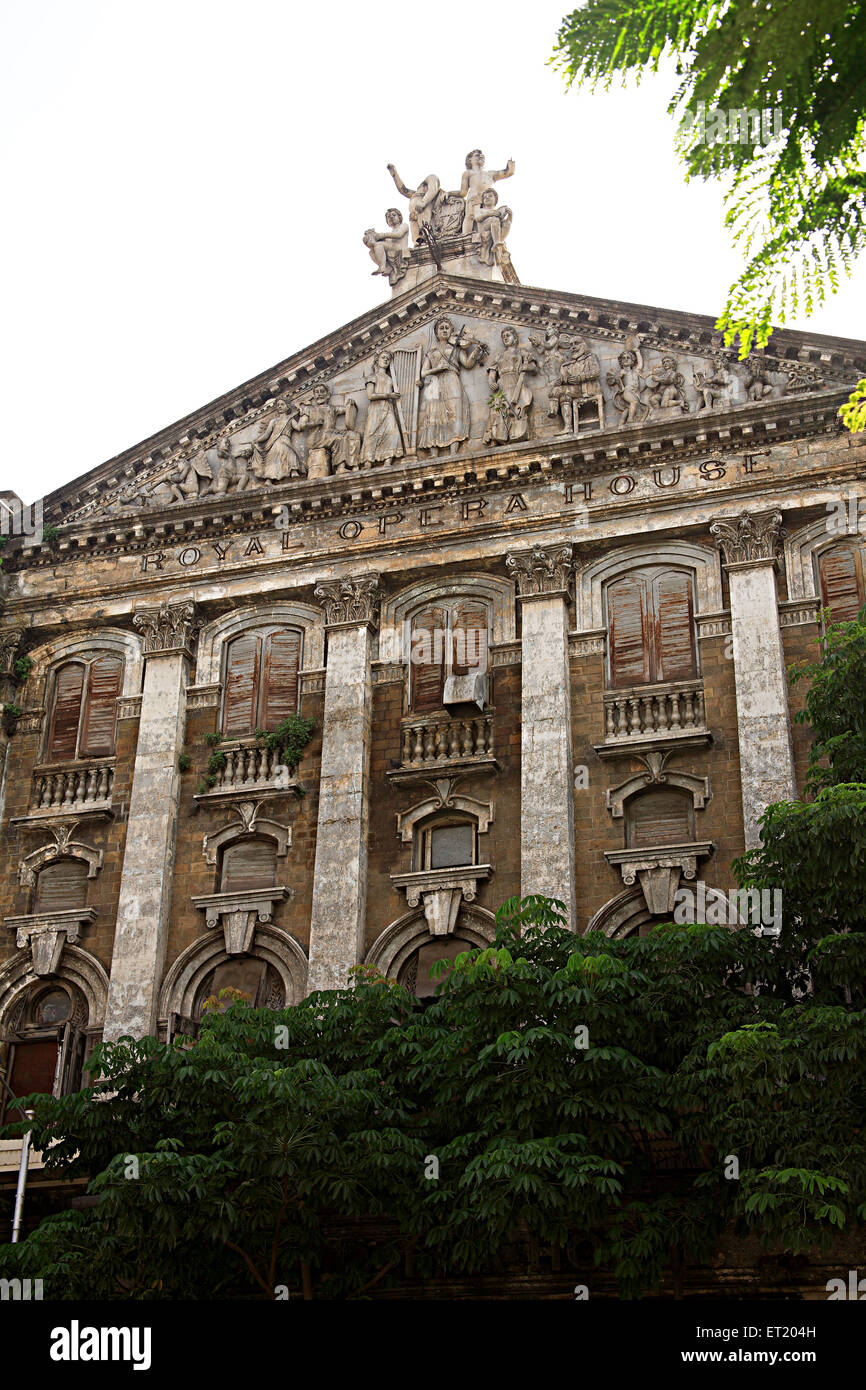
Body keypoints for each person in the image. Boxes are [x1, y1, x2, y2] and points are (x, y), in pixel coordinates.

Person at [417, 316, 485, 455]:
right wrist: (438, 368)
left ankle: (454, 451)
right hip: (435, 384)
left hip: (452, 379)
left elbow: (467, 363)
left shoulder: (457, 348)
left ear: (451, 331)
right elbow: (423, 373)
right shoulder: (431, 352)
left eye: (447, 328)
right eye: (441, 328)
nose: (444, 330)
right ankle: (434, 453)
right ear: (436, 332)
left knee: (455, 412)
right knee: (434, 415)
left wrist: (476, 350)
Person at [455, 149, 515, 237]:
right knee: (470, 216)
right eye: (476, 155)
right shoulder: (468, 173)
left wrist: (511, 163)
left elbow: (508, 172)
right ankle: (465, 237)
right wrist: (450, 194)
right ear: (470, 160)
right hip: (474, 197)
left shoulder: (490, 174)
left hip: (487, 198)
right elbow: (463, 192)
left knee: (488, 216)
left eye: (482, 156)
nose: (480, 156)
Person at [361, 350, 405, 465]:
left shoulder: (390, 379)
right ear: (377, 360)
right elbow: (370, 395)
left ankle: (388, 460)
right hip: (376, 408)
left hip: (388, 408)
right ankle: (368, 462)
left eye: (388, 359)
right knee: (371, 433)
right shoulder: (372, 377)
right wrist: (388, 395)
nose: (385, 360)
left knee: (393, 432)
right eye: (383, 357)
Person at [363, 209, 409, 286]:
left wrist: (382, 235)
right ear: (387, 221)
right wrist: (370, 237)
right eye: (388, 217)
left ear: (399, 217)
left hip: (400, 248)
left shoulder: (403, 225)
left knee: (378, 245)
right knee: (372, 251)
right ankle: (387, 266)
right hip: (393, 250)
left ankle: (382, 266)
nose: (391, 217)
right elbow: (382, 245)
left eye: (394, 215)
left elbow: (399, 234)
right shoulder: (389, 234)